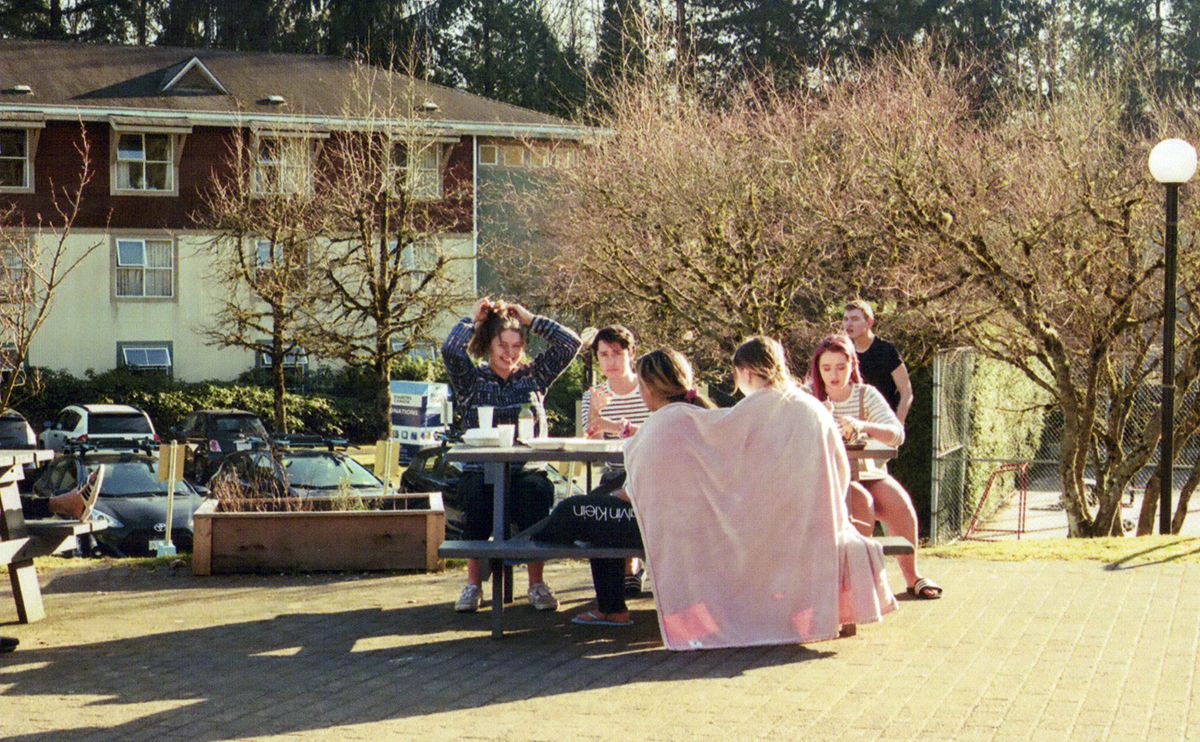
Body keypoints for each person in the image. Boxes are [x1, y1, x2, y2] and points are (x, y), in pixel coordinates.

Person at [622, 345, 896, 649]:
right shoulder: (814, 407)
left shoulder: (751, 412)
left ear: (746, 373)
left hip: (769, 531)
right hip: (816, 523)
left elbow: (729, 473)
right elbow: (840, 472)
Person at [529, 347, 714, 627]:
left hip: (660, 525)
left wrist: (612, 497)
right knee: (599, 506)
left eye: (641, 385)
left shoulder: (660, 426)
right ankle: (610, 607)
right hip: (688, 522)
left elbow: (634, 493)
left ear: (651, 386)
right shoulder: (696, 417)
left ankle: (611, 608)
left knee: (578, 510)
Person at [441, 297, 581, 613]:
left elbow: (570, 343)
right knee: (474, 497)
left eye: (517, 345)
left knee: (537, 494)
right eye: (502, 344)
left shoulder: (534, 376)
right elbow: (450, 350)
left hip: (526, 471)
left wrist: (532, 319)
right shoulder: (471, 380)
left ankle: (536, 584)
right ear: (487, 343)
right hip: (481, 472)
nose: (510, 353)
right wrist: (472, 320)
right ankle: (473, 585)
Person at [810, 334, 942, 600]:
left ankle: (912, 577)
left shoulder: (865, 395)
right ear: (817, 370)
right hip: (825, 476)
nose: (834, 375)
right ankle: (855, 586)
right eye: (826, 368)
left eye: (840, 367)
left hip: (865, 471)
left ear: (852, 366)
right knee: (861, 505)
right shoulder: (809, 396)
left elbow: (896, 434)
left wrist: (862, 425)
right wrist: (820, 418)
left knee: (901, 505)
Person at [580, 325, 653, 595]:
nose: (610, 361)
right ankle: (614, 588)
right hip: (614, 472)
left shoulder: (648, 389)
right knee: (595, 508)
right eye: (604, 354)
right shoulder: (594, 394)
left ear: (631, 354)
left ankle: (632, 566)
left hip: (649, 471)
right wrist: (595, 414)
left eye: (617, 353)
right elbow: (590, 448)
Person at [843, 300, 914, 424]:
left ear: (869, 322)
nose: (849, 324)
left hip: (882, 426)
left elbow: (906, 392)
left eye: (855, 319)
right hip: (851, 427)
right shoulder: (843, 351)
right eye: (846, 319)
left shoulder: (886, 350)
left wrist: (897, 425)